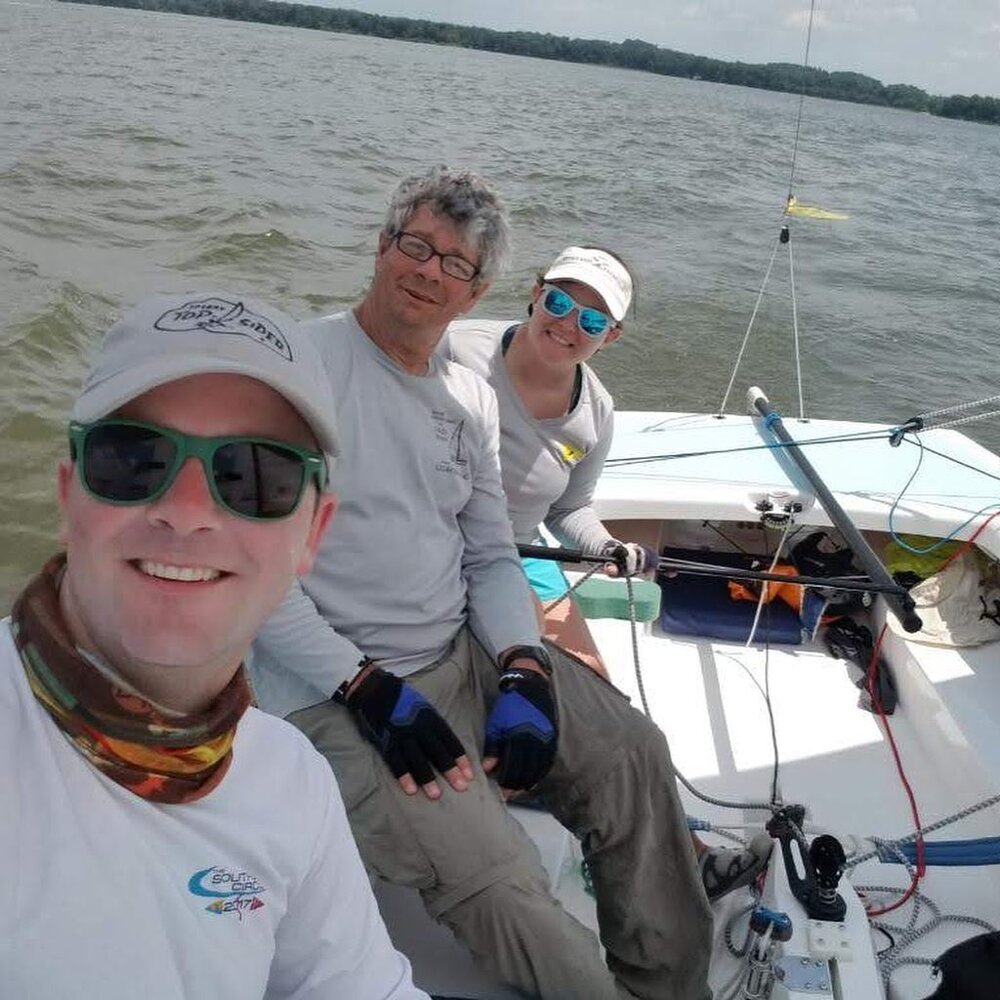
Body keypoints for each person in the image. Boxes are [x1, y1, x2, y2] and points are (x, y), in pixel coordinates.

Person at [250, 166, 713, 1000]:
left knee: (634, 755)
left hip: (461, 648)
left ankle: (671, 986)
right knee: (508, 886)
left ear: (477, 291)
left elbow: (492, 553)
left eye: (455, 264)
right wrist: (361, 686)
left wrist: (523, 666)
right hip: (337, 685)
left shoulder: (469, 393)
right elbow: (251, 570)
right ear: (382, 246)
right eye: (416, 246)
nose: (428, 271)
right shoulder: (300, 368)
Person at [0, 293, 428, 1000]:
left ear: (313, 534)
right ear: (69, 496)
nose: (189, 512)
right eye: (134, 460)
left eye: (256, 475)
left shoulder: (293, 781)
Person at [445, 245, 772, 900]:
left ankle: (680, 859)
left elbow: (571, 508)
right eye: (561, 300)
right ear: (535, 292)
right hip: (424, 550)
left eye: (592, 320)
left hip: (512, 561)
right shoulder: (453, 347)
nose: (569, 324)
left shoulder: (596, 411)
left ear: (612, 336)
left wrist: (604, 547)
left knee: (600, 703)